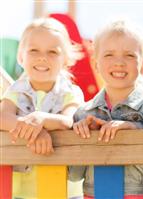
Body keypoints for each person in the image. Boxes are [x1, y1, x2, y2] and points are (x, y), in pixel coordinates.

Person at [68, 20, 143, 199]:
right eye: (109, 55)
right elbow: (74, 175)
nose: (119, 62)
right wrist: (83, 140)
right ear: (95, 64)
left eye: (129, 55)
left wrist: (134, 132)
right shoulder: (83, 114)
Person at [0, 18, 84, 199]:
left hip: (64, 188)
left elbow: (68, 120)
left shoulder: (70, 92)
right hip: (22, 190)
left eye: (52, 52)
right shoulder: (16, 91)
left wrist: (41, 119)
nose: (42, 57)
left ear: (66, 60)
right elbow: (3, 117)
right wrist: (34, 130)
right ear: (21, 57)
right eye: (34, 50)